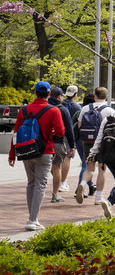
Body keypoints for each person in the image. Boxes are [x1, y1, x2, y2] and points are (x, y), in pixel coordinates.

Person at [8, 81, 65, 231]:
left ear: (34, 93)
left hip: (26, 151)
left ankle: (33, 218)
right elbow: (60, 132)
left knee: (31, 183)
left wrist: (12, 154)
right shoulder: (53, 110)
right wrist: (51, 132)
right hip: (45, 151)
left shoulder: (24, 110)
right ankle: (32, 220)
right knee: (40, 184)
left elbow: (16, 134)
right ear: (48, 94)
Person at [75, 87, 113, 205]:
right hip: (102, 145)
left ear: (95, 96)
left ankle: (82, 185)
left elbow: (79, 125)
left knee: (89, 168)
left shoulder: (85, 108)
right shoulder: (109, 110)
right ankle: (98, 197)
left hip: (88, 143)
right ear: (106, 97)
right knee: (102, 169)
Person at [48, 86, 74, 203]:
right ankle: (55, 194)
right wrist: (72, 146)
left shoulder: (44, 107)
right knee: (57, 166)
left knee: (46, 166)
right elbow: (69, 129)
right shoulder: (62, 109)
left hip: (43, 141)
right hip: (58, 141)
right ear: (59, 96)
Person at [59, 85, 81, 193]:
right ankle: (63, 182)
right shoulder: (77, 107)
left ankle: (59, 179)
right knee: (67, 157)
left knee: (56, 159)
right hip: (70, 134)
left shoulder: (60, 104)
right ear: (75, 94)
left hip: (58, 133)